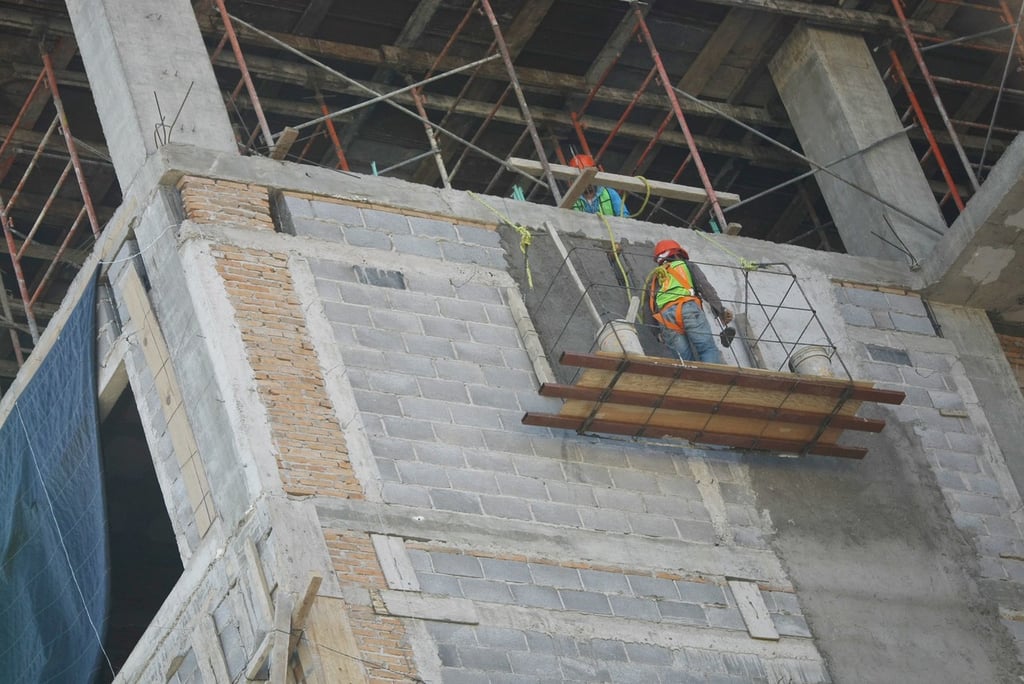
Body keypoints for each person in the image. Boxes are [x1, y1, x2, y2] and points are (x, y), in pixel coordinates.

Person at [647, 239, 733, 364]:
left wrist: (657, 332)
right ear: (678, 254)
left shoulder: (655, 277)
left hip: (665, 319)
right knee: (707, 350)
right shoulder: (686, 265)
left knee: (684, 362)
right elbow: (705, 287)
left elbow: (648, 306)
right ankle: (713, 380)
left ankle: (692, 381)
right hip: (687, 308)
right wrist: (720, 310)